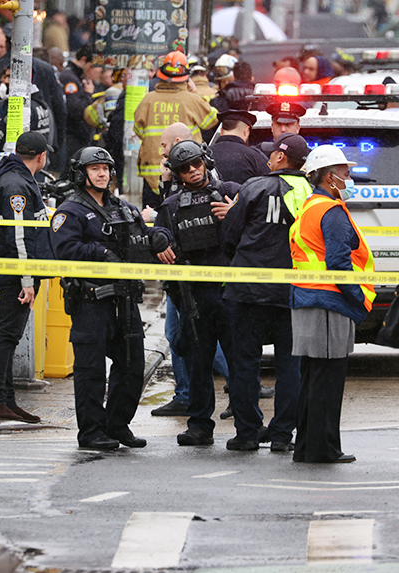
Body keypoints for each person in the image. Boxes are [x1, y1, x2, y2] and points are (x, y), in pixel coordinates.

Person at [49, 147, 172, 451]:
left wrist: (159, 238)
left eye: (105, 168)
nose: (102, 174)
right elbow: (64, 249)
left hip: (126, 300)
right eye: (95, 169)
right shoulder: (71, 211)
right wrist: (101, 253)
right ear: (82, 174)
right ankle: (91, 432)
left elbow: (142, 239)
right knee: (91, 370)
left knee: (132, 365)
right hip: (92, 300)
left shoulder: (125, 209)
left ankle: (117, 425)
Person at [222, 133, 311, 452]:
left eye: (272, 154)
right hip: (294, 292)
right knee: (291, 365)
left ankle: (247, 433)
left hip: (248, 290)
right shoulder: (312, 195)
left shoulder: (255, 187)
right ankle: (282, 435)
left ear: (279, 159)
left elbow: (230, 235)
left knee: (245, 362)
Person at [289, 145, 376, 464]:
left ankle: (307, 447)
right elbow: (340, 264)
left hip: (307, 299)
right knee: (328, 379)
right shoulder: (331, 211)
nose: (349, 177)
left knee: (313, 377)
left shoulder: (310, 206)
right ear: (329, 177)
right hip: (329, 302)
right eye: (345, 172)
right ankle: (323, 449)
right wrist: (358, 300)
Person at [154, 141, 236, 446]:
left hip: (230, 294)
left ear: (206, 162)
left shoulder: (230, 190)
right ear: (177, 174)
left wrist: (235, 210)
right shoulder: (172, 206)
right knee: (198, 365)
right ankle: (200, 426)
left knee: (239, 361)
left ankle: (247, 426)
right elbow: (159, 239)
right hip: (195, 298)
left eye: (196, 165)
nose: (192, 171)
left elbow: (256, 223)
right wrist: (159, 240)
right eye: (185, 169)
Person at [0, 132, 54, 423]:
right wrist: (27, 281)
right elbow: (19, 237)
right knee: (8, 335)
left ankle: (6, 400)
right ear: (41, 156)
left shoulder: (18, 179)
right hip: (16, 273)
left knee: (9, 335)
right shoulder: (17, 184)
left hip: (15, 270)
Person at [134, 51, 218, 209]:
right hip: (186, 171)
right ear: (187, 76)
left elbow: (138, 130)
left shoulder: (148, 100)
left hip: (153, 173)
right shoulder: (192, 99)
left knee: (152, 218)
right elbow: (212, 120)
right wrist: (195, 92)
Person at [59, 45, 99, 159]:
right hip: (73, 138)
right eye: (92, 66)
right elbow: (74, 109)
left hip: (78, 137)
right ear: (84, 60)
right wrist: (88, 95)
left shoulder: (77, 76)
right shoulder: (69, 78)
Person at [210, 109, 269, 185]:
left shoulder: (205, 154)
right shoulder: (255, 156)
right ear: (246, 131)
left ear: (221, 131)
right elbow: (268, 184)